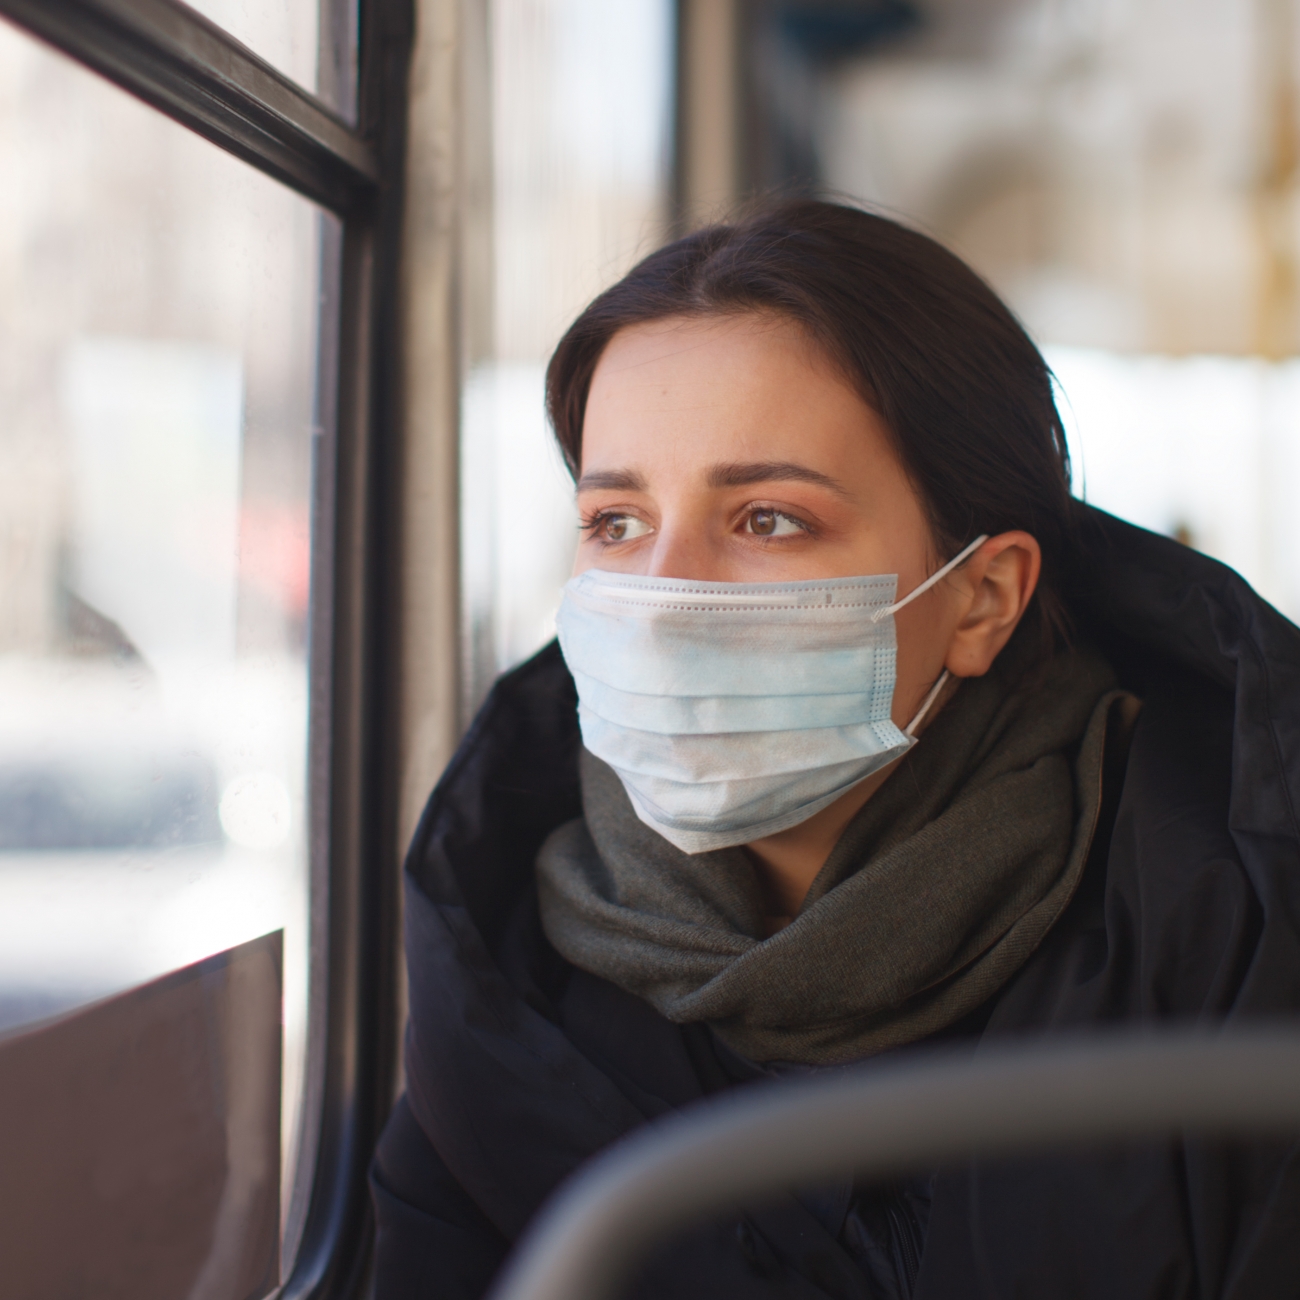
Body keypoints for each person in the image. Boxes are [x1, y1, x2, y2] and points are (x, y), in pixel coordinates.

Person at [370, 199, 1300, 1298]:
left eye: (766, 518)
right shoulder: (503, 968)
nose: (662, 596)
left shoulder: (1233, 925)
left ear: (981, 597)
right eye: (616, 522)